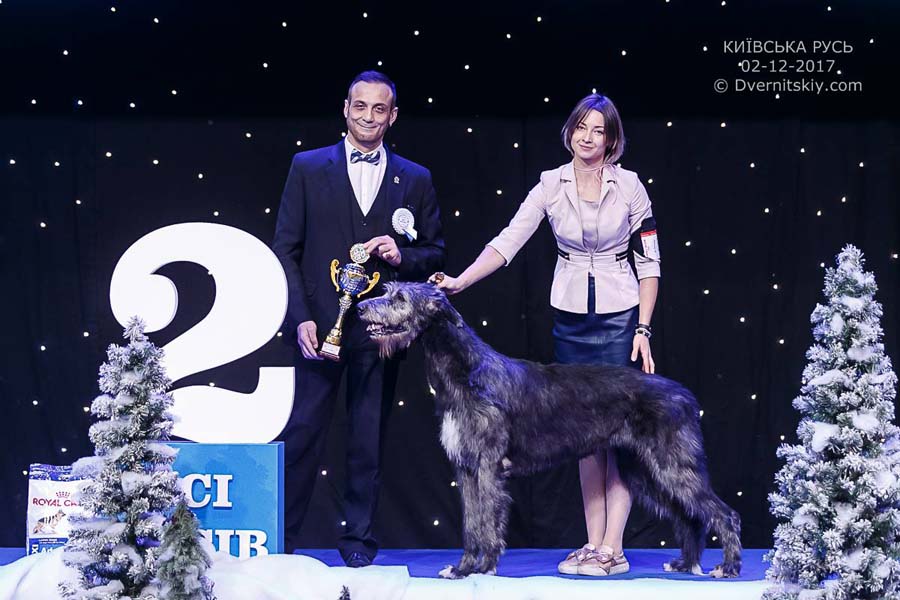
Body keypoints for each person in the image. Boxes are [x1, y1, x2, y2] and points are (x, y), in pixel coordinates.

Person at [430, 93, 660, 576]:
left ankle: (612, 548)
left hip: (620, 316)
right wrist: (460, 281)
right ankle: (592, 540)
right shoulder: (549, 185)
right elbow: (508, 240)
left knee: (619, 434)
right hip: (571, 317)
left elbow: (650, 262)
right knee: (583, 433)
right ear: (570, 131)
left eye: (598, 130)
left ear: (612, 139)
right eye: (581, 127)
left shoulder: (632, 186)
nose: (587, 137)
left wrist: (643, 327)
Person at [272, 70, 445, 567]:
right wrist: (300, 317)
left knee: (367, 440)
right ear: (345, 109)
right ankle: (281, 541)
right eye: (360, 106)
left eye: (379, 108)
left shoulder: (414, 177)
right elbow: (286, 249)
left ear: (392, 116)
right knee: (303, 433)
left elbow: (435, 252)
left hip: (379, 333)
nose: (368, 116)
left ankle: (358, 544)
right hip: (317, 330)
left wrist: (401, 256)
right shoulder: (307, 167)